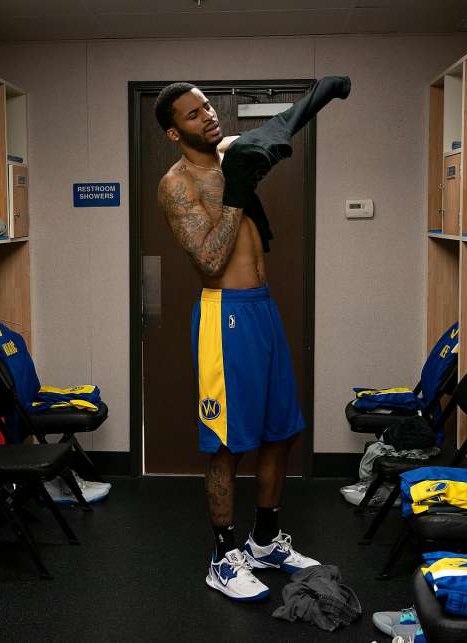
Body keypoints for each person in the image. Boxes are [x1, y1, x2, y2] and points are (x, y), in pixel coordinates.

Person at [154, 82, 320, 602]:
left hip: (262, 309)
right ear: (173, 130)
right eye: (193, 113)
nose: (208, 116)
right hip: (222, 316)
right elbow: (208, 259)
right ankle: (223, 558)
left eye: (207, 106)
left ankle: (265, 541)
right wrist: (237, 196)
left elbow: (279, 129)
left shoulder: (232, 157)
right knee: (227, 443)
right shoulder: (177, 184)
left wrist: (322, 95)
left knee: (281, 432)